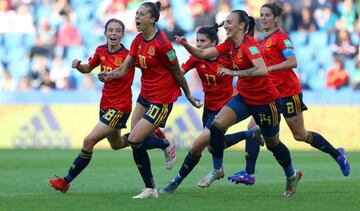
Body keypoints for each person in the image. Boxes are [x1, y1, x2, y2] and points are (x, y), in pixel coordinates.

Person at [173, 9, 302, 197]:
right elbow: (202, 53)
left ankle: (291, 174)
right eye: (224, 22)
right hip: (243, 97)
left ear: (241, 25)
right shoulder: (228, 45)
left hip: (265, 101)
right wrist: (185, 45)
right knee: (216, 127)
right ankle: (217, 169)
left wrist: (234, 73)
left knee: (273, 144)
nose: (225, 25)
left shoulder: (250, 46)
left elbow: (262, 70)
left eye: (229, 22)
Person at [227, 3, 350, 186]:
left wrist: (269, 69)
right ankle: (249, 173)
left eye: (267, 15)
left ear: (276, 18)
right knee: (253, 128)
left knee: (300, 135)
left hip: (288, 92)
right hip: (268, 96)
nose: (263, 18)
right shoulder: (259, 41)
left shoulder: (281, 38)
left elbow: (292, 62)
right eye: (261, 15)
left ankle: (337, 154)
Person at [98, 2, 201, 199]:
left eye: (142, 14)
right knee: (135, 142)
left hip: (162, 99)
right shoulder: (137, 40)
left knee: (135, 138)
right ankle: (150, 189)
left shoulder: (163, 44)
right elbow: (125, 68)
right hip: (145, 95)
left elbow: (177, 72)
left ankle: (165, 144)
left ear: (152, 19)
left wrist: (188, 95)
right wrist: (110, 75)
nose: (137, 17)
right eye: (136, 14)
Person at [159, 24, 263, 194]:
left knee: (195, 146)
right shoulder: (196, 58)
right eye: (197, 41)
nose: (198, 44)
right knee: (212, 146)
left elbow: (249, 68)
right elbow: (179, 73)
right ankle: (251, 133)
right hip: (208, 108)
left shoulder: (227, 57)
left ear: (214, 42)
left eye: (203, 41)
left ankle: (175, 182)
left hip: (225, 108)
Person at [47, 19, 135, 193]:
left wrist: (110, 76)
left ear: (123, 35)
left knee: (89, 141)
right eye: (110, 30)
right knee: (117, 144)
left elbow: (126, 72)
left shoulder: (128, 55)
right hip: (105, 105)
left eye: (118, 31)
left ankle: (65, 181)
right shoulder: (101, 50)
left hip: (120, 106)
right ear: (105, 33)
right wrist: (79, 66)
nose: (114, 34)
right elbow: (89, 68)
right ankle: (151, 134)